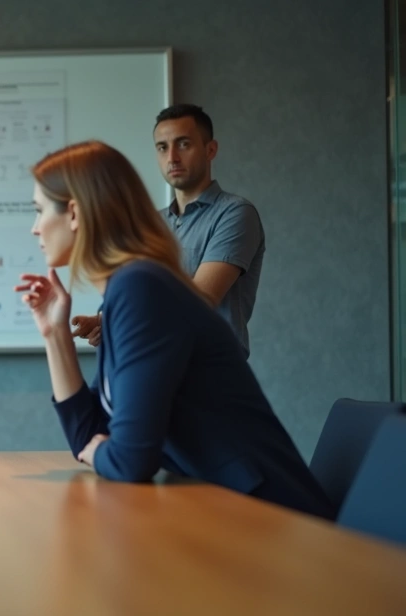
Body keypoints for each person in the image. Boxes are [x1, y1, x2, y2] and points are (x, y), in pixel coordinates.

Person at [17, 141, 333, 519]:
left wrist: (102, 451)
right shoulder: (127, 291)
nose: (35, 228)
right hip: (222, 511)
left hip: (271, 519)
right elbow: (89, 437)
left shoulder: (142, 289)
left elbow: (129, 459)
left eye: (38, 211)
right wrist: (55, 334)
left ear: (73, 213)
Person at [71, 104, 264, 357]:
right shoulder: (152, 223)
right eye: (162, 147)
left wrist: (121, 319)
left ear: (210, 150)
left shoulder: (235, 213)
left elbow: (199, 302)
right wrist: (105, 320)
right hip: (157, 366)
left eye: (183, 144)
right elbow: (140, 296)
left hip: (211, 375)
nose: (172, 157)